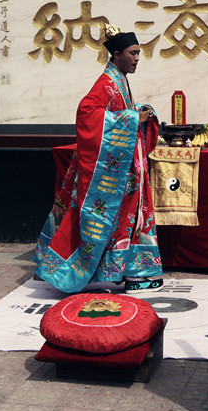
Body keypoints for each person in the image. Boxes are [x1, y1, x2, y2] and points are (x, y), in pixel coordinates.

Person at [33, 24, 164, 294]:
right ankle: (70, 271)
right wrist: (130, 119)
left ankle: (135, 270)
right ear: (116, 54)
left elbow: (119, 113)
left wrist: (137, 112)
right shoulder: (106, 83)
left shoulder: (119, 82)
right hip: (111, 172)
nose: (137, 58)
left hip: (125, 168)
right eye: (133, 53)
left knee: (130, 219)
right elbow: (87, 113)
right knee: (107, 219)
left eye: (139, 53)